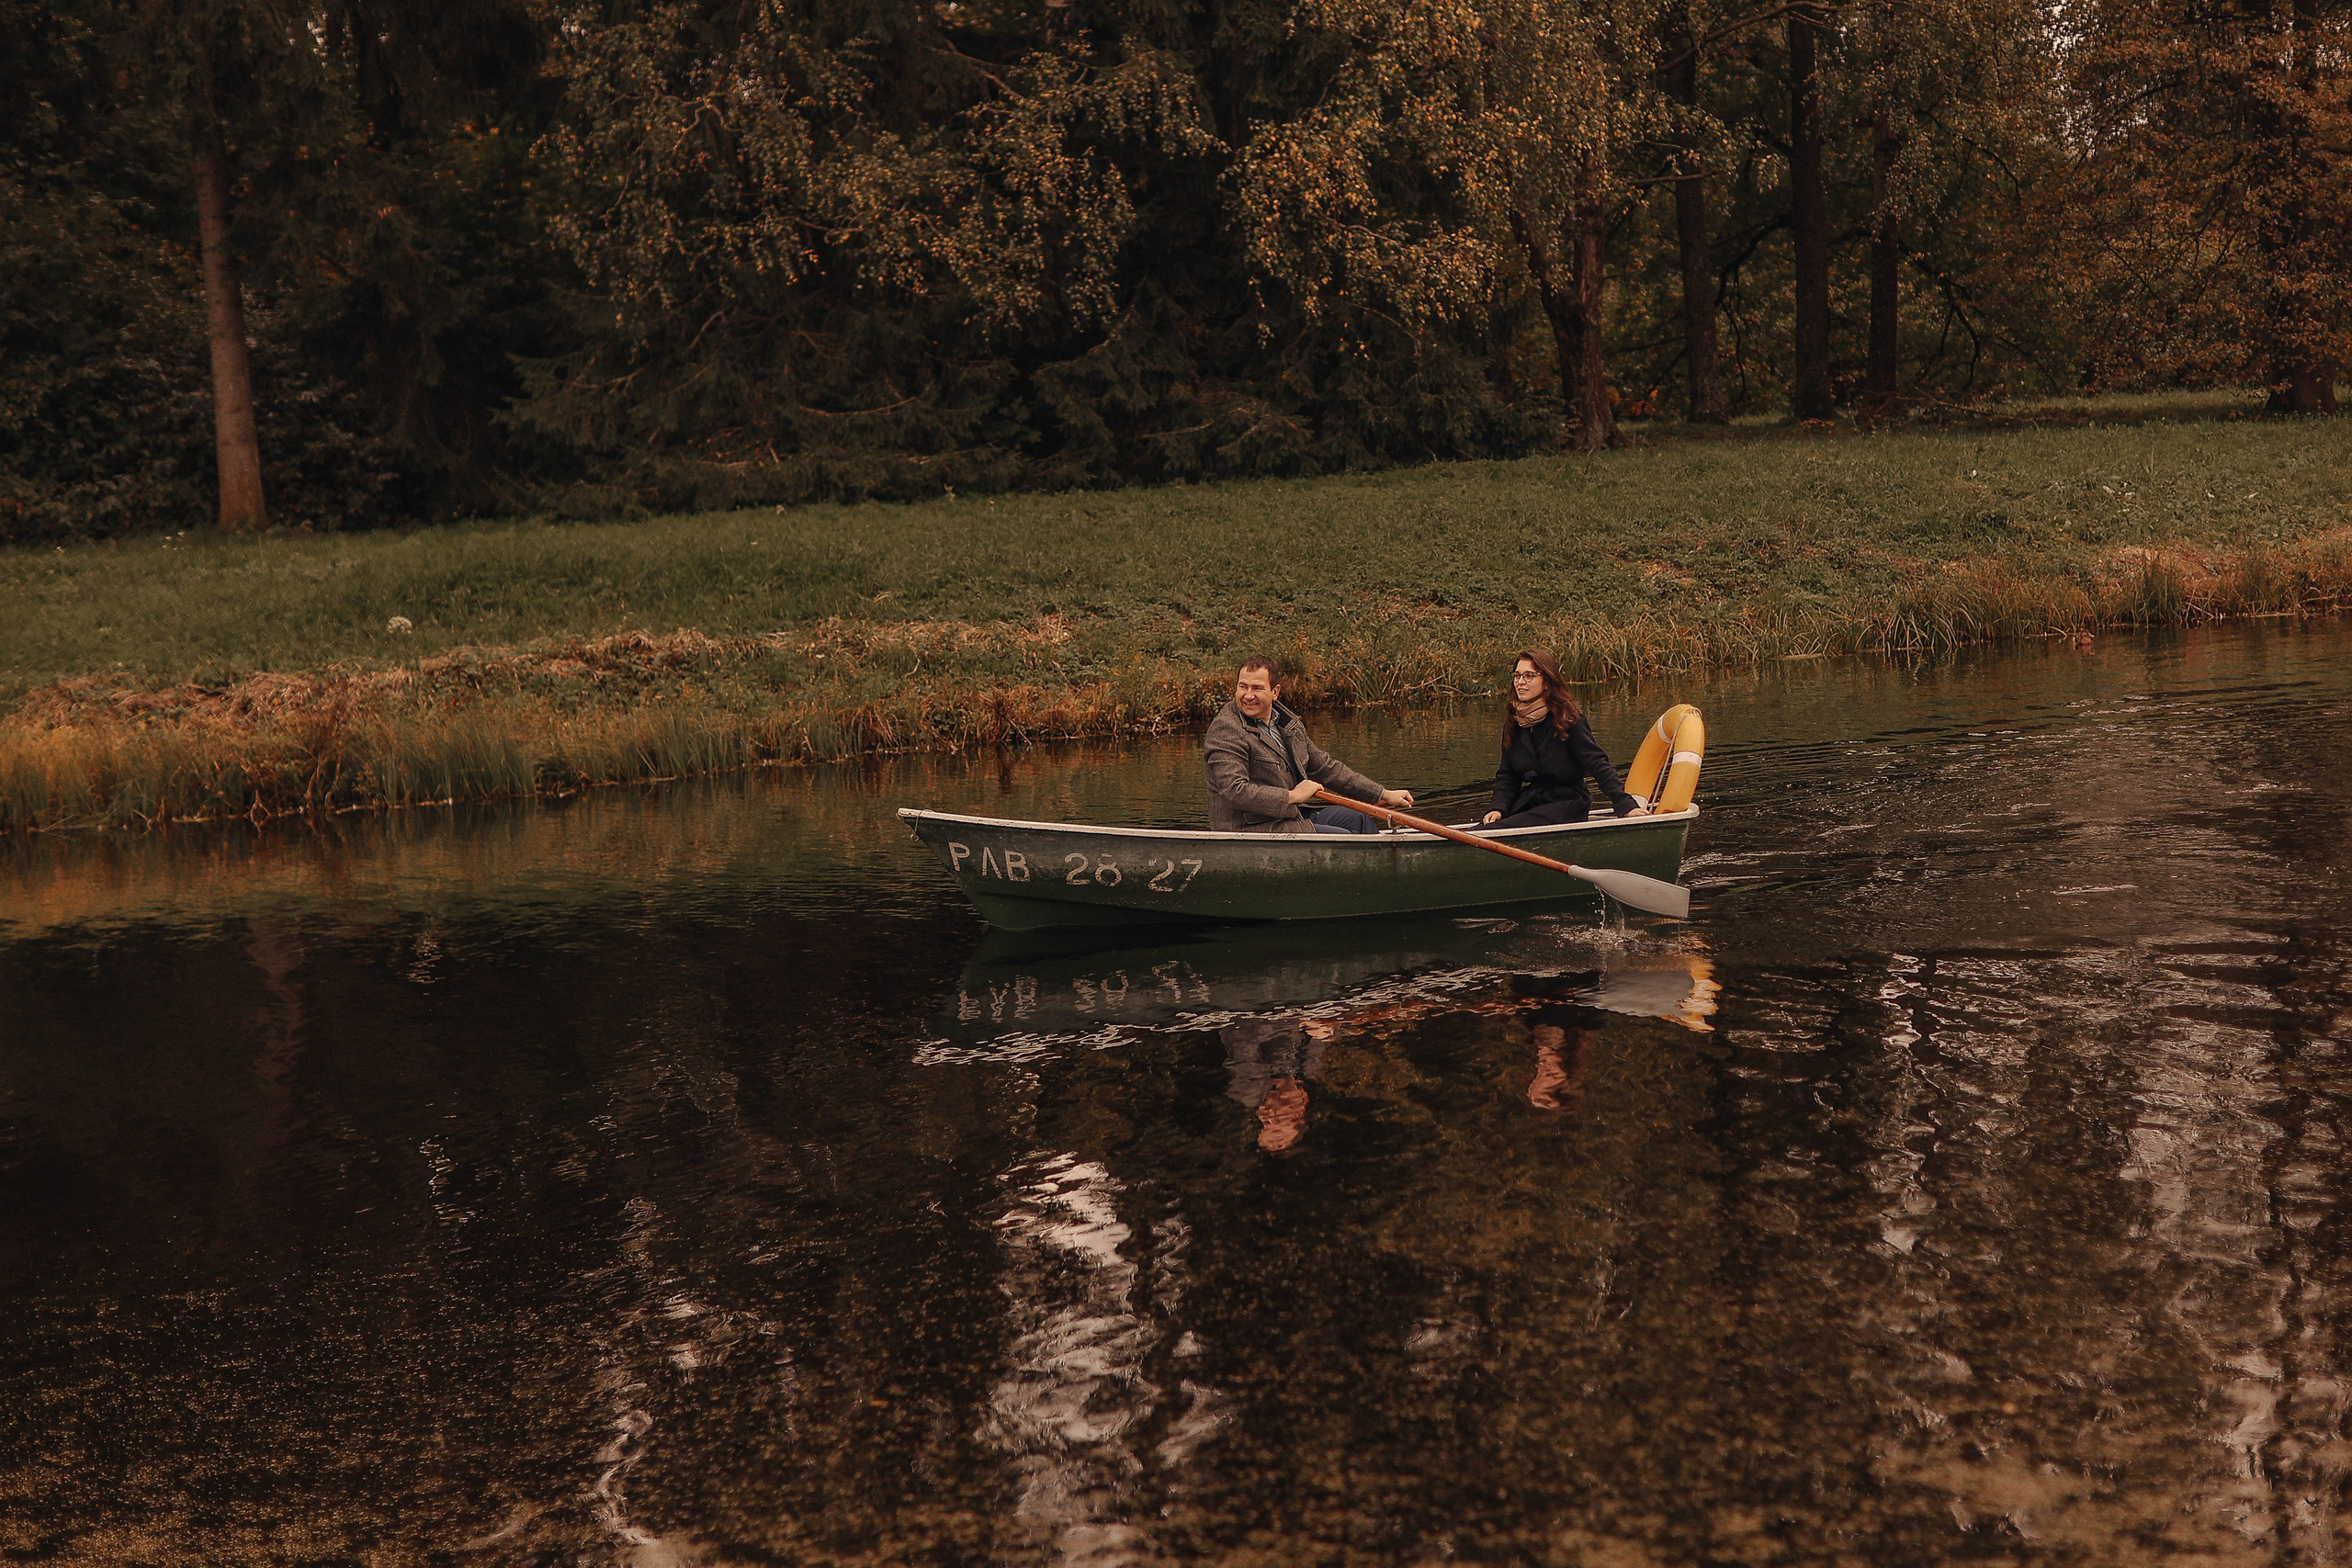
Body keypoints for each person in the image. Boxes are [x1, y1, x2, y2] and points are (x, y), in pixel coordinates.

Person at [1204, 656, 1414, 834]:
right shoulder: (1227, 730)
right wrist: (1293, 795)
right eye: (1243, 686)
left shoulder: (1287, 724)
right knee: (1343, 838)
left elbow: (1326, 768)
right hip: (1251, 828)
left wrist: (1382, 794)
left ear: (1275, 692)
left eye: (1257, 688)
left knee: (1358, 821)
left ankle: (1379, 877)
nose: (1248, 695)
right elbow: (1234, 791)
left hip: (1289, 815)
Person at [1480, 649, 1650, 829]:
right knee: (1481, 829)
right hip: (1532, 801)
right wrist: (1498, 807)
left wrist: (1626, 805)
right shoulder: (1515, 724)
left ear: (1547, 681)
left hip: (1567, 804)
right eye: (1517, 675)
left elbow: (1597, 764)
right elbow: (1508, 775)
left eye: (1529, 676)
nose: (1520, 682)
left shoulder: (1568, 720)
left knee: (1491, 832)